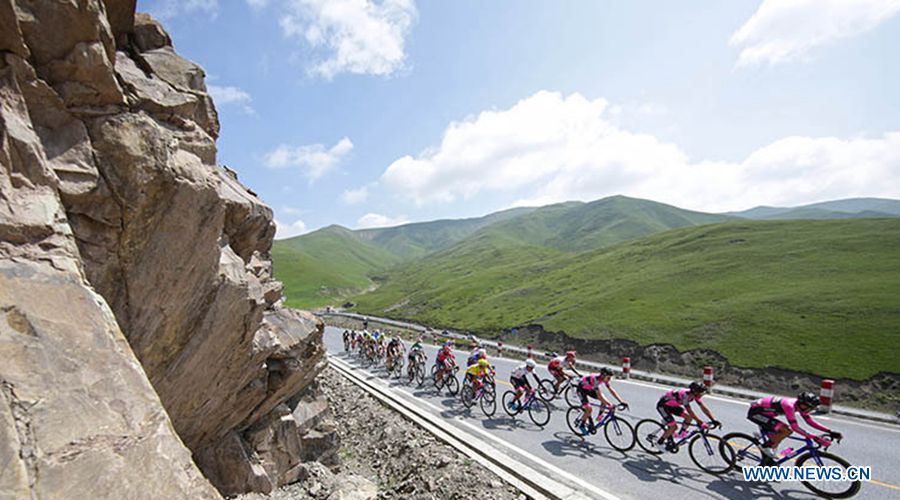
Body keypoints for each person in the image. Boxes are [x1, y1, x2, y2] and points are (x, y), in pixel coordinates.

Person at [747, 392, 843, 465]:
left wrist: (829, 431)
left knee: (778, 437)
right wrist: (813, 437)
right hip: (756, 413)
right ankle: (765, 446)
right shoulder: (789, 406)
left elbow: (810, 422)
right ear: (803, 404)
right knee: (786, 431)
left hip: (766, 414)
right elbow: (795, 427)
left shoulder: (800, 406)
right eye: (810, 407)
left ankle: (767, 462)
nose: (811, 410)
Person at [655, 382, 720, 452]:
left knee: (688, 417)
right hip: (663, 406)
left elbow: (703, 407)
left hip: (673, 405)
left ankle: (681, 435)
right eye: (701, 392)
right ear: (695, 392)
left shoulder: (695, 395)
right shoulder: (685, 395)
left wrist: (713, 420)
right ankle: (659, 443)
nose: (702, 394)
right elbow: (689, 410)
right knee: (673, 427)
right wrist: (700, 422)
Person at [576, 368, 628, 435]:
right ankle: (582, 425)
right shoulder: (595, 380)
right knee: (589, 409)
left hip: (589, 389)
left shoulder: (604, 380)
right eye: (608, 377)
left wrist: (621, 401)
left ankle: (599, 416)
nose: (609, 379)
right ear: (603, 375)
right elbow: (599, 395)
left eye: (610, 378)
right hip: (581, 390)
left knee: (604, 400)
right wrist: (609, 404)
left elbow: (611, 390)